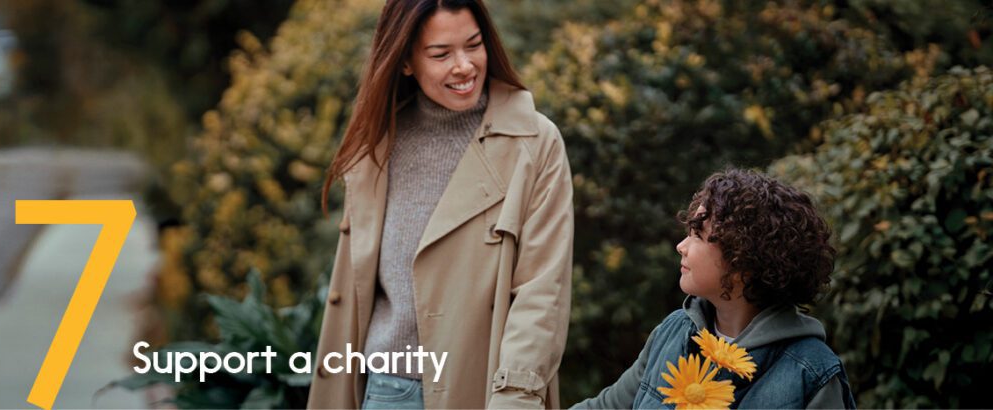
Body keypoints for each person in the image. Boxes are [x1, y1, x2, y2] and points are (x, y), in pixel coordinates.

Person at [307, 0, 573, 408]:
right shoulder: (378, 143)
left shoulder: (533, 143)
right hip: (386, 390)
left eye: (474, 45)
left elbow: (541, 292)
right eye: (441, 54)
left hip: (484, 392)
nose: (464, 66)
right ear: (406, 61)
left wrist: (516, 396)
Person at [572, 169, 856, 409]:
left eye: (698, 235)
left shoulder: (813, 373)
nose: (681, 246)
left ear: (743, 257)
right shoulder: (672, 332)